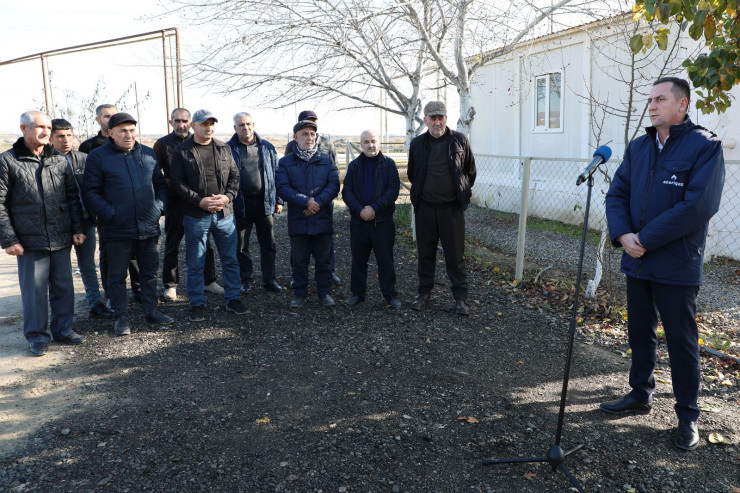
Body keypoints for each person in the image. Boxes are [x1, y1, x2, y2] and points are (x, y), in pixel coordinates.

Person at [602, 77, 725, 451]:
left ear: (682, 105)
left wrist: (646, 240)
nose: (651, 106)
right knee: (639, 332)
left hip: (675, 263)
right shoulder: (639, 147)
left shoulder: (704, 147)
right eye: (649, 100)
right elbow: (617, 193)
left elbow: (700, 205)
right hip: (636, 261)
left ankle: (687, 416)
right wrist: (624, 236)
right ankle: (640, 393)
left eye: (660, 99)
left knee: (681, 341)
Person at [0, 111, 86, 356]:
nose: (45, 131)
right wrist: (9, 239)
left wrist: (78, 228)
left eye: (48, 127)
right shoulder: (7, 161)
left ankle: (64, 329)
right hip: (28, 240)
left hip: (60, 236)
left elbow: (72, 197)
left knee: (63, 287)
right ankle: (37, 336)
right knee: (35, 291)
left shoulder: (58, 160)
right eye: (39, 126)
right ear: (23, 128)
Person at [83, 112, 173, 336]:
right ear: (111, 133)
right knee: (116, 275)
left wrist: (159, 208)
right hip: (117, 229)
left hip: (148, 226)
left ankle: (151, 311)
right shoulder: (98, 157)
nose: (128, 135)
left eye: (132, 130)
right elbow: (90, 192)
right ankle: (121, 318)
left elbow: (160, 185)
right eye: (123, 131)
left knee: (149, 272)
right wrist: (109, 213)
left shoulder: (148, 154)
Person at [169, 109, 248, 322]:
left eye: (212, 123)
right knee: (196, 261)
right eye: (204, 124)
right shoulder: (182, 151)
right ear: (194, 126)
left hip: (224, 215)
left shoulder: (224, 148)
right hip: (196, 215)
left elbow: (235, 176)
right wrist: (199, 201)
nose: (209, 127)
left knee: (230, 259)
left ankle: (233, 299)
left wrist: (227, 197)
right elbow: (177, 183)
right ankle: (196, 303)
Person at [407, 101, 476, 316]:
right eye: (433, 118)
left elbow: (470, 171)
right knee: (425, 254)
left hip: (451, 210)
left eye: (441, 117)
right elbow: (412, 174)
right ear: (425, 120)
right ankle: (424, 294)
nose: (438, 122)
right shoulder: (417, 144)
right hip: (426, 209)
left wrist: (460, 193)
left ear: (446, 118)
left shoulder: (459, 140)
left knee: (455, 257)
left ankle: (461, 299)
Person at [153, 108, 222, 301]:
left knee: (205, 244)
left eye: (184, 121)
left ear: (191, 123)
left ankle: (209, 280)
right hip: (176, 203)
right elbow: (156, 174)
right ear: (171, 122)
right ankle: (170, 285)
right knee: (172, 244)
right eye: (177, 121)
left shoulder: (199, 141)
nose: (181, 125)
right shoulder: (162, 145)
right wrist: (172, 184)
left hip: (199, 204)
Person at [50, 118, 113, 319]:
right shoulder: (45, 161)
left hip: (85, 221)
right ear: (51, 138)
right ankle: (61, 311)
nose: (66, 140)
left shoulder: (84, 159)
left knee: (87, 265)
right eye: (60, 136)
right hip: (57, 224)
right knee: (59, 270)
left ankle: (95, 303)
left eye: (69, 135)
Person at [79, 104, 141, 303]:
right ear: (99, 120)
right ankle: (111, 293)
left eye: (113, 116)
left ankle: (139, 291)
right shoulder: (89, 147)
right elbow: (90, 187)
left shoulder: (137, 148)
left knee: (136, 254)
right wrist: (106, 212)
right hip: (108, 216)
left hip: (134, 214)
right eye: (106, 116)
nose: (110, 119)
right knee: (109, 255)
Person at [276, 119, 339, 308]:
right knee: (300, 260)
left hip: (322, 217)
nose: (309, 137)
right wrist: (305, 201)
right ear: (296, 138)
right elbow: (282, 187)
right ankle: (299, 293)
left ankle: (324, 293)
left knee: (324, 260)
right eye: (304, 134)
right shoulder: (286, 162)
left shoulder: (326, 160)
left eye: (312, 134)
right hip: (299, 218)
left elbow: (334, 184)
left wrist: (317, 203)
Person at [341, 129, 401, 309]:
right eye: (366, 142)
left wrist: (374, 208)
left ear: (379, 142)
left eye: (373, 141)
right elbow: (347, 192)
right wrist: (361, 209)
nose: (370, 145)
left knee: (385, 260)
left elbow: (393, 191)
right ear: (361, 145)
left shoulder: (389, 165)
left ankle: (390, 294)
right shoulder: (354, 166)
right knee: (358, 260)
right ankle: (357, 293)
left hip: (382, 223)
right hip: (359, 222)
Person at [227, 112, 284, 294]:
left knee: (269, 244)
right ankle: (246, 279)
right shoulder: (227, 149)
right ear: (235, 128)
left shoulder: (267, 148)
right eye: (241, 125)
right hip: (240, 204)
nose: (246, 128)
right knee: (241, 245)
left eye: (249, 124)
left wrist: (279, 200)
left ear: (254, 124)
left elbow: (277, 175)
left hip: (264, 203)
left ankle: (270, 280)